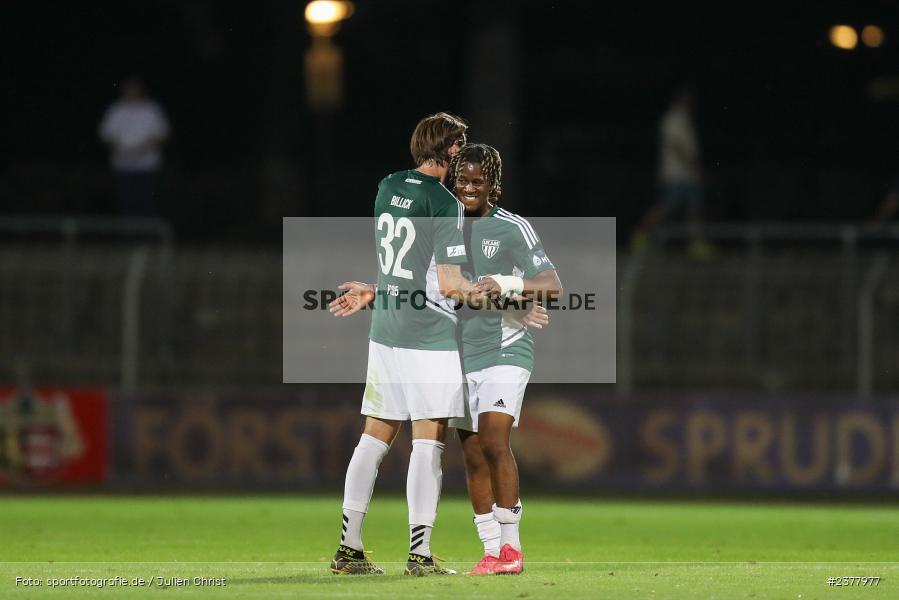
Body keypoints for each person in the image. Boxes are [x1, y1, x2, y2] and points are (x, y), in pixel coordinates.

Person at [328, 112, 478, 576]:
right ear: (451, 151)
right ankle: (419, 554)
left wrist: (377, 289)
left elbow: (402, 264)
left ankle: (348, 548)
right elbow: (452, 286)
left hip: (386, 331)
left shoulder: (388, 185)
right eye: (462, 147)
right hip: (427, 335)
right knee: (428, 441)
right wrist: (503, 294)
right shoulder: (443, 202)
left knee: (374, 438)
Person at [446, 144, 562, 575]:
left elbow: (552, 285)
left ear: (494, 185)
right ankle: (491, 550)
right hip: (457, 355)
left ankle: (512, 550)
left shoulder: (513, 227)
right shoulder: (441, 226)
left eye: (478, 182)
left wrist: (510, 284)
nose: (469, 189)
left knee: (495, 442)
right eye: (462, 181)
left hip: (505, 349)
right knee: (473, 454)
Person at [631, 86, 713, 258]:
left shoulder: (684, 118)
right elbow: (677, 146)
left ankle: (695, 243)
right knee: (667, 207)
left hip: (688, 174)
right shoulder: (673, 118)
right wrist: (695, 166)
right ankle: (640, 234)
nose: (691, 102)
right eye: (687, 98)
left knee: (694, 208)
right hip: (676, 174)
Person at [98, 76, 170, 216]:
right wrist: (120, 149)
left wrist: (141, 150)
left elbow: (162, 134)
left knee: (147, 202)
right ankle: (127, 235)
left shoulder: (151, 109)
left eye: (135, 88)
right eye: (129, 89)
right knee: (125, 203)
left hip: (147, 165)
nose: (132, 92)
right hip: (123, 164)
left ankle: (147, 235)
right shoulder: (116, 110)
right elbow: (106, 135)